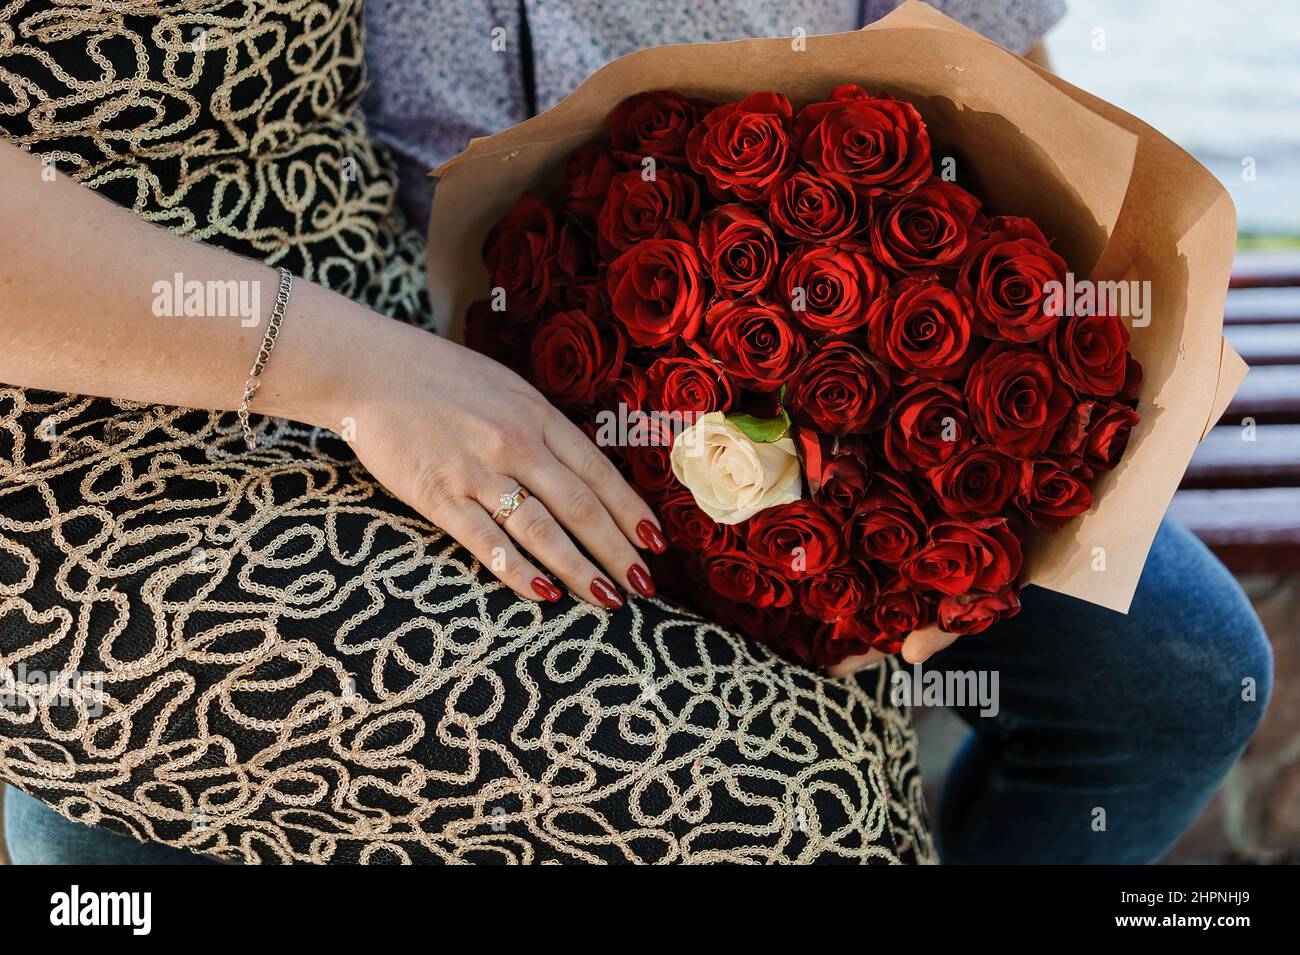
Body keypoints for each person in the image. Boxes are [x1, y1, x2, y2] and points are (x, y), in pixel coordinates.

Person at [1, 0, 1271, 866]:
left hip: (844, 342)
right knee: (792, 783)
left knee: (1180, 675)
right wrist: (371, 370)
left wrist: (957, 508)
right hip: (454, 331)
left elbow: (1014, 104)